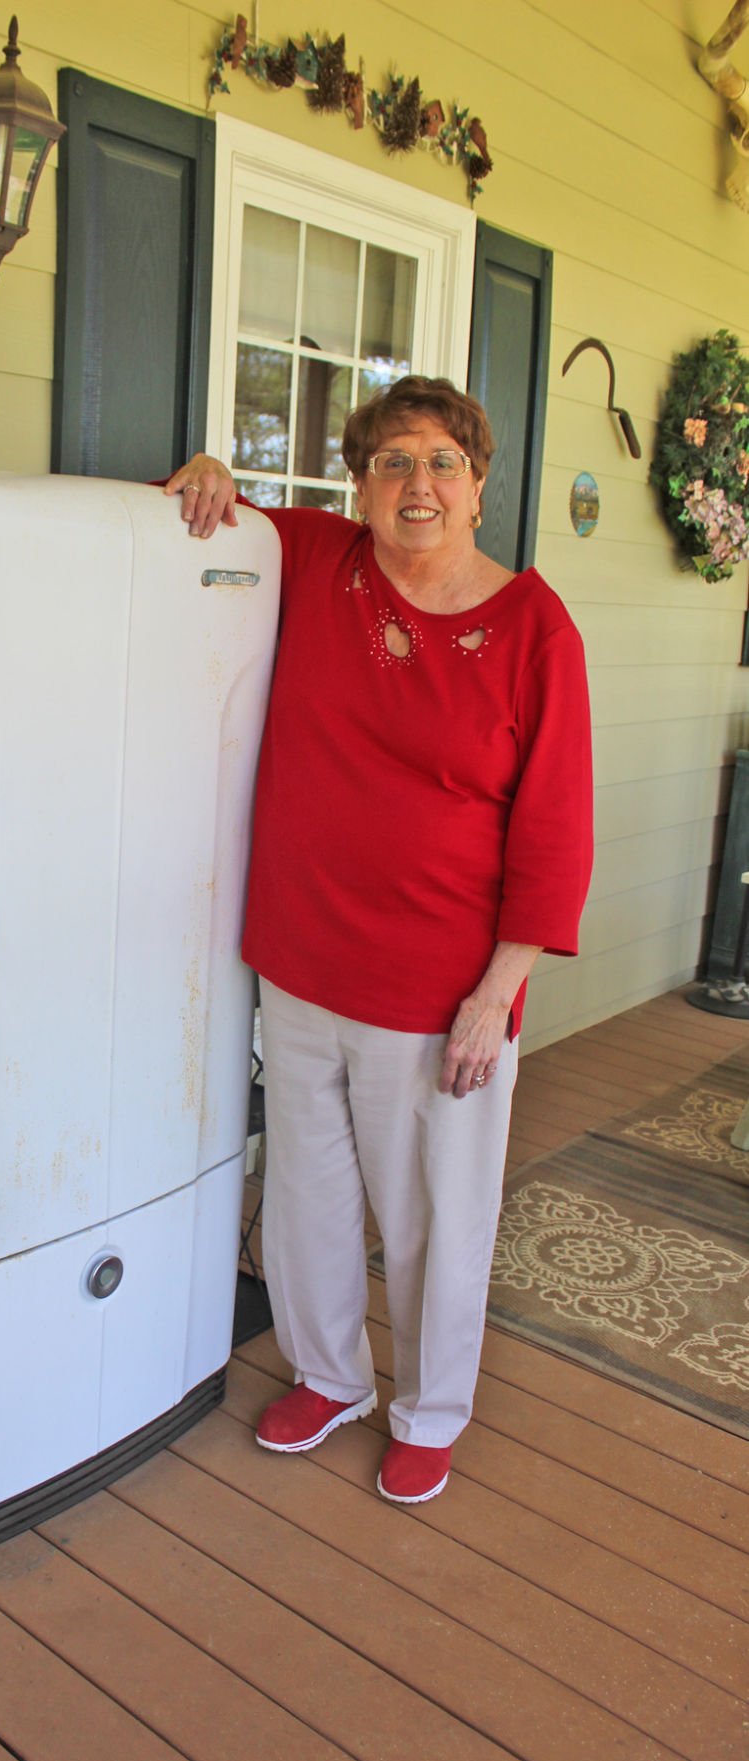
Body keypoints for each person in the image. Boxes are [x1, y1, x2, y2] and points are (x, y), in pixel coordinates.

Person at [164, 376, 593, 1503]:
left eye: (441, 463)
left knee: (434, 1215)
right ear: (357, 484)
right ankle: (325, 1373)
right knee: (303, 1188)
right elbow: (214, 519)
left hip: (441, 984)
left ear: (478, 484)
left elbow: (552, 829)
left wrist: (496, 991)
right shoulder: (313, 559)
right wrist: (207, 473)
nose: (417, 485)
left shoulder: (532, 626)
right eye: (392, 461)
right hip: (303, 956)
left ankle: (429, 1406)